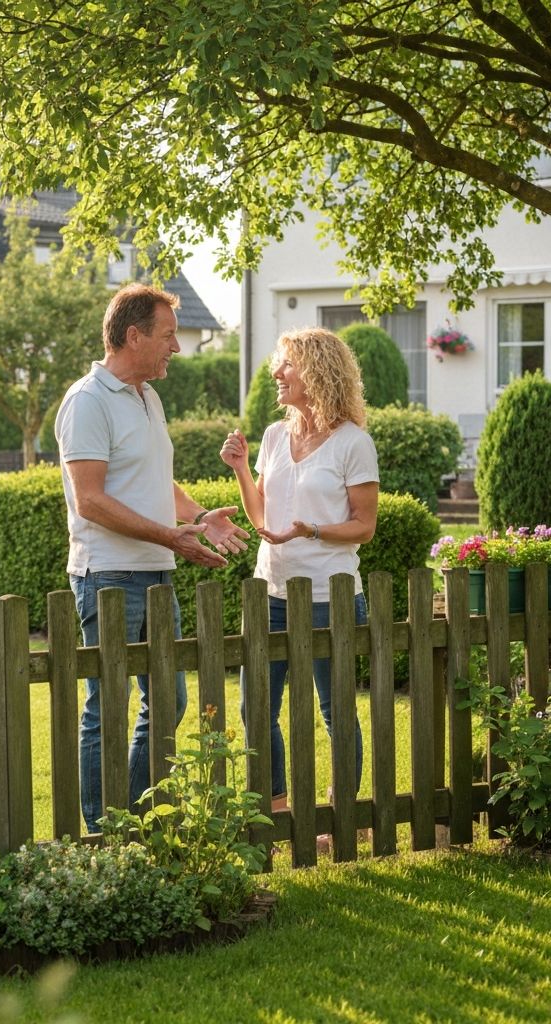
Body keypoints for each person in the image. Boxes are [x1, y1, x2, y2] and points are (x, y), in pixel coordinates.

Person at [55, 282, 249, 833]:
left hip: (155, 572)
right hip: (109, 575)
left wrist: (200, 515)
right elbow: (90, 500)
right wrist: (170, 536)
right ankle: (103, 832)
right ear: (133, 335)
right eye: (168, 336)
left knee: (168, 700)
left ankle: (139, 817)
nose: (178, 348)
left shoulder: (148, 396)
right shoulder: (88, 401)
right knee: (107, 707)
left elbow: (155, 481)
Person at [220, 327, 378, 813]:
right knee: (257, 709)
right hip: (270, 593)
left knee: (336, 713)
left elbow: (364, 526)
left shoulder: (352, 443)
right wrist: (242, 469)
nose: (276, 373)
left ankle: (341, 813)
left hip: (330, 596)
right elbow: (264, 517)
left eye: (286, 364)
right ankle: (278, 808)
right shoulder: (272, 435)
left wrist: (311, 530)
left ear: (316, 371)